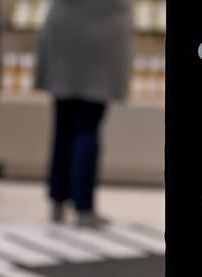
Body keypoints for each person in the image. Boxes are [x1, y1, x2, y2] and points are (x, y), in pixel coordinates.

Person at [35, 0, 133, 227]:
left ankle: (58, 199)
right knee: (88, 126)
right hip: (104, 34)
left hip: (65, 30)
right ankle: (84, 206)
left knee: (63, 122)